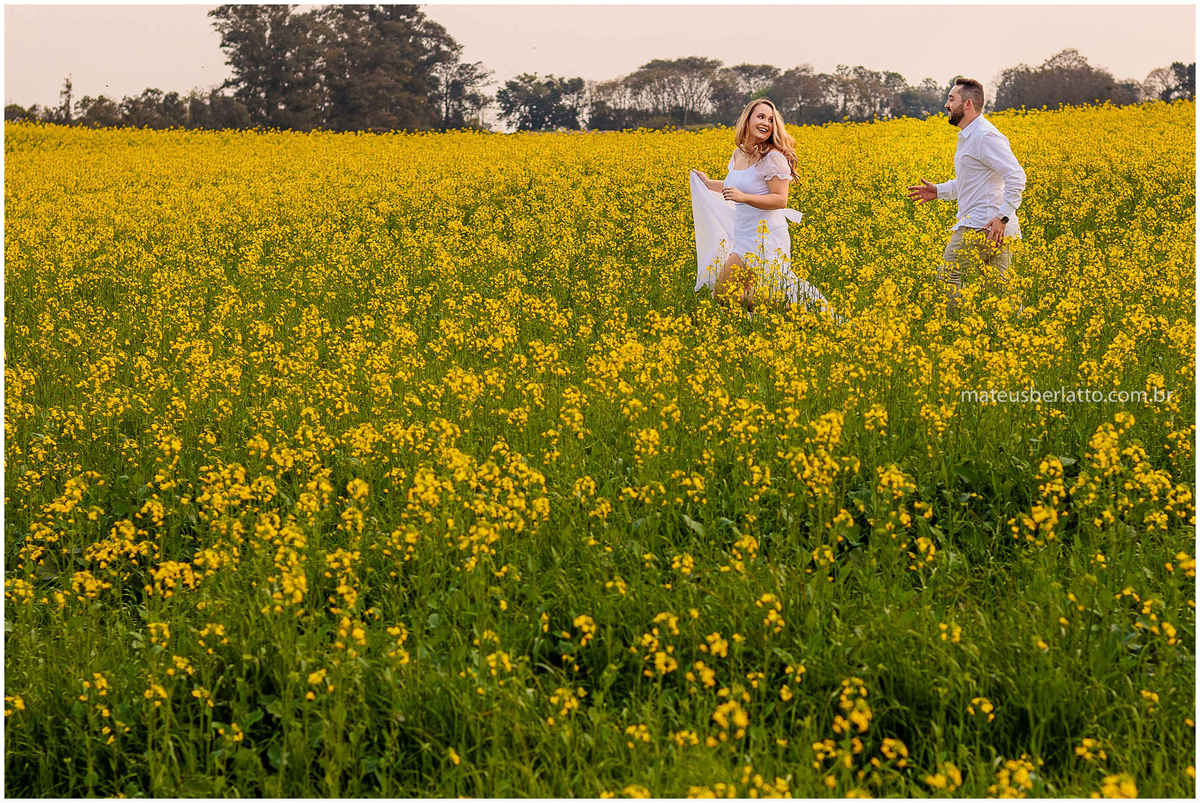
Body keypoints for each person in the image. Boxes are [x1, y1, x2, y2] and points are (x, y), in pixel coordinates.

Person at [690, 98, 828, 313]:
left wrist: (744, 197)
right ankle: (784, 315)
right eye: (761, 117)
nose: (766, 123)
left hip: (766, 237)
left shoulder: (773, 157)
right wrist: (708, 184)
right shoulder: (738, 154)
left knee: (726, 294)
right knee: (732, 294)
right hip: (744, 235)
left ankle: (796, 308)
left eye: (771, 120)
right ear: (747, 119)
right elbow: (735, 186)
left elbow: (780, 199)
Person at [906, 77, 1026, 310]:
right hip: (994, 227)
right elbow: (970, 183)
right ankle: (1013, 329)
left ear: (968, 104)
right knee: (1001, 293)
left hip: (982, 225)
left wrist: (1002, 217)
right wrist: (938, 191)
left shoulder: (984, 136)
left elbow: (1016, 176)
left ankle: (956, 324)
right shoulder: (972, 136)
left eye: (952, 99)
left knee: (947, 276)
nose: (946, 105)